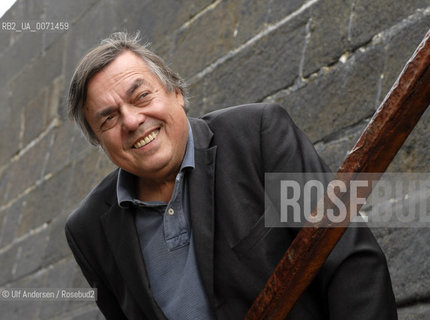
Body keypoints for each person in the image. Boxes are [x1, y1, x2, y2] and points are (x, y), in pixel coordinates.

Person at [65, 32, 397, 319]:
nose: (132, 121)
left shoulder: (257, 135)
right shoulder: (88, 230)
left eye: (141, 96)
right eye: (108, 119)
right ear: (99, 140)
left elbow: (352, 262)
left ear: (176, 93)